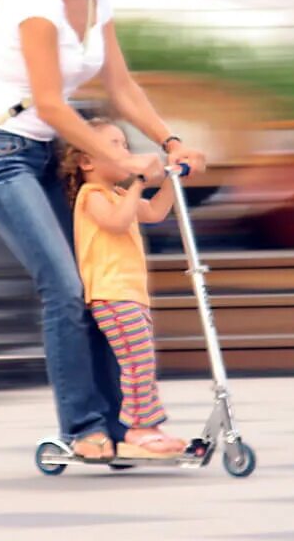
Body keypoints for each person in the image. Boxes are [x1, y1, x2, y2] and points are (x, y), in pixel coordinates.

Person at [0, 0, 206, 461]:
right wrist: (122, 160)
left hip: (47, 153)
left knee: (96, 287)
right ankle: (85, 427)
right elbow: (49, 103)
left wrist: (170, 140)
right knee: (65, 287)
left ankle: (126, 428)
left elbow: (120, 86)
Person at [61, 117, 185, 458]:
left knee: (141, 360)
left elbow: (156, 212)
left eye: (125, 145)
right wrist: (139, 184)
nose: (125, 152)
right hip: (110, 293)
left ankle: (148, 426)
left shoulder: (117, 193)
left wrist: (171, 179)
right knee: (137, 362)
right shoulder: (92, 195)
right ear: (87, 161)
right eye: (114, 145)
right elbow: (116, 224)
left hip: (131, 294)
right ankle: (140, 430)